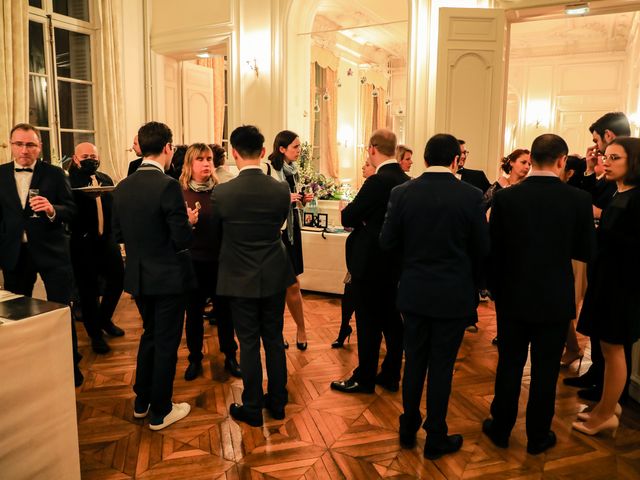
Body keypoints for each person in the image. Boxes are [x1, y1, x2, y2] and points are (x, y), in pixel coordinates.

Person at [483, 134, 594, 455]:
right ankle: (538, 435)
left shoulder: (507, 199)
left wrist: (493, 290)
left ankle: (501, 427)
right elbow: (586, 250)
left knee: (509, 364)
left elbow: (494, 252)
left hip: (513, 295)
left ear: (530, 160)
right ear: (561, 161)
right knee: (545, 370)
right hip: (554, 297)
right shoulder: (577, 200)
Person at [380, 133, 489, 460]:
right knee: (441, 367)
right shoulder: (471, 196)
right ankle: (435, 435)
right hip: (453, 295)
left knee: (413, 361)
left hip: (413, 292)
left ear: (425, 159)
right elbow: (483, 249)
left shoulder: (401, 193)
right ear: (456, 160)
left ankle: (407, 425)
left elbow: (386, 243)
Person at [112, 121, 197, 430]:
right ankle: (161, 410)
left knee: (150, 336)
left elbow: (118, 233)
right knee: (166, 342)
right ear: (166, 148)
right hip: (168, 278)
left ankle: (141, 400)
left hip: (138, 276)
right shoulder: (167, 186)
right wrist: (187, 222)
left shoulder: (122, 186)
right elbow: (182, 240)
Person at [212, 125, 294, 427]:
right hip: (273, 271)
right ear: (263, 153)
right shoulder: (281, 189)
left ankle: (252, 406)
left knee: (247, 342)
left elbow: (218, 233)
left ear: (234, 154)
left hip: (238, 275)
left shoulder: (222, 192)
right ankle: (278, 402)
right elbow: (279, 225)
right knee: (273, 337)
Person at [0, 123, 81, 386]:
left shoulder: (56, 174)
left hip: (51, 252)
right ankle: (24, 365)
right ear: (11, 145)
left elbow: (71, 210)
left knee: (62, 308)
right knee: (17, 314)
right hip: (15, 254)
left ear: (39, 147)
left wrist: (52, 209)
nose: (24, 150)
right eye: (19, 144)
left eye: (30, 144)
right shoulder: (0, 175)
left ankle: (71, 365)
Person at [330, 129, 409, 394]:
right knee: (392, 320)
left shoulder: (377, 181)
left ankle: (364, 378)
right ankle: (389, 374)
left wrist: (350, 213)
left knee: (368, 323)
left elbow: (349, 217)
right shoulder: (406, 180)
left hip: (370, 263)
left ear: (373, 149)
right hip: (394, 264)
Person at [573, 137, 640, 437]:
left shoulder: (636, 198)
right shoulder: (620, 192)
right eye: (606, 156)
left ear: (633, 162)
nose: (606, 162)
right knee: (606, 347)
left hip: (621, 287)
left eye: (614, 158)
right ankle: (608, 406)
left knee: (614, 351)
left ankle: (605, 413)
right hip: (608, 282)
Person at [564, 112, 631, 403]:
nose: (601, 153)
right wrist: (590, 170)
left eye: (598, 142)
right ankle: (597, 374)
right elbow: (584, 196)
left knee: (614, 336)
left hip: (620, 271)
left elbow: (602, 211)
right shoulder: (611, 180)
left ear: (608, 136)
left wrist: (600, 216)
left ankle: (612, 393)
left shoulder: (630, 190)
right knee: (600, 329)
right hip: (602, 262)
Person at [179, 143, 240, 380]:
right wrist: (188, 223)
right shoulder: (180, 192)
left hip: (220, 263)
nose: (206, 163)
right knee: (193, 314)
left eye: (209, 159)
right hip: (193, 263)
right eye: (200, 159)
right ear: (190, 164)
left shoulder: (221, 192)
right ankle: (195, 358)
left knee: (225, 313)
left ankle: (230, 356)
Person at [68, 142, 124, 355]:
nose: (90, 158)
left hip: (107, 240)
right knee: (88, 291)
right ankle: (95, 335)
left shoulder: (105, 179)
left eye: (93, 155)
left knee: (119, 279)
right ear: (75, 158)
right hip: (83, 243)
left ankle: (104, 319)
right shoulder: (69, 181)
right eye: (85, 156)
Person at [265, 130, 314, 350]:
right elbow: (264, 204)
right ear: (282, 148)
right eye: (295, 146)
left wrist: (303, 200)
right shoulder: (268, 170)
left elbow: (295, 204)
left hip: (292, 229)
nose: (299, 151)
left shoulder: (293, 171)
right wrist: (285, 199)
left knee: (292, 284)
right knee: (276, 286)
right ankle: (277, 333)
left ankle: (301, 330)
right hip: (275, 232)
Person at [331, 159, 375, 348]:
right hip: (358, 254)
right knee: (349, 293)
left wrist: (349, 215)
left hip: (371, 255)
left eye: (367, 164)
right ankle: (343, 329)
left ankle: (346, 331)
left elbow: (356, 219)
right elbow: (352, 222)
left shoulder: (376, 190)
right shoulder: (366, 191)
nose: (363, 167)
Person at [482, 149, 531, 213]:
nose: (527, 167)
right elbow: (482, 207)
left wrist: (507, 187)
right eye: (523, 162)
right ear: (512, 162)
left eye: (529, 164)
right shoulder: (499, 184)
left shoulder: (528, 186)